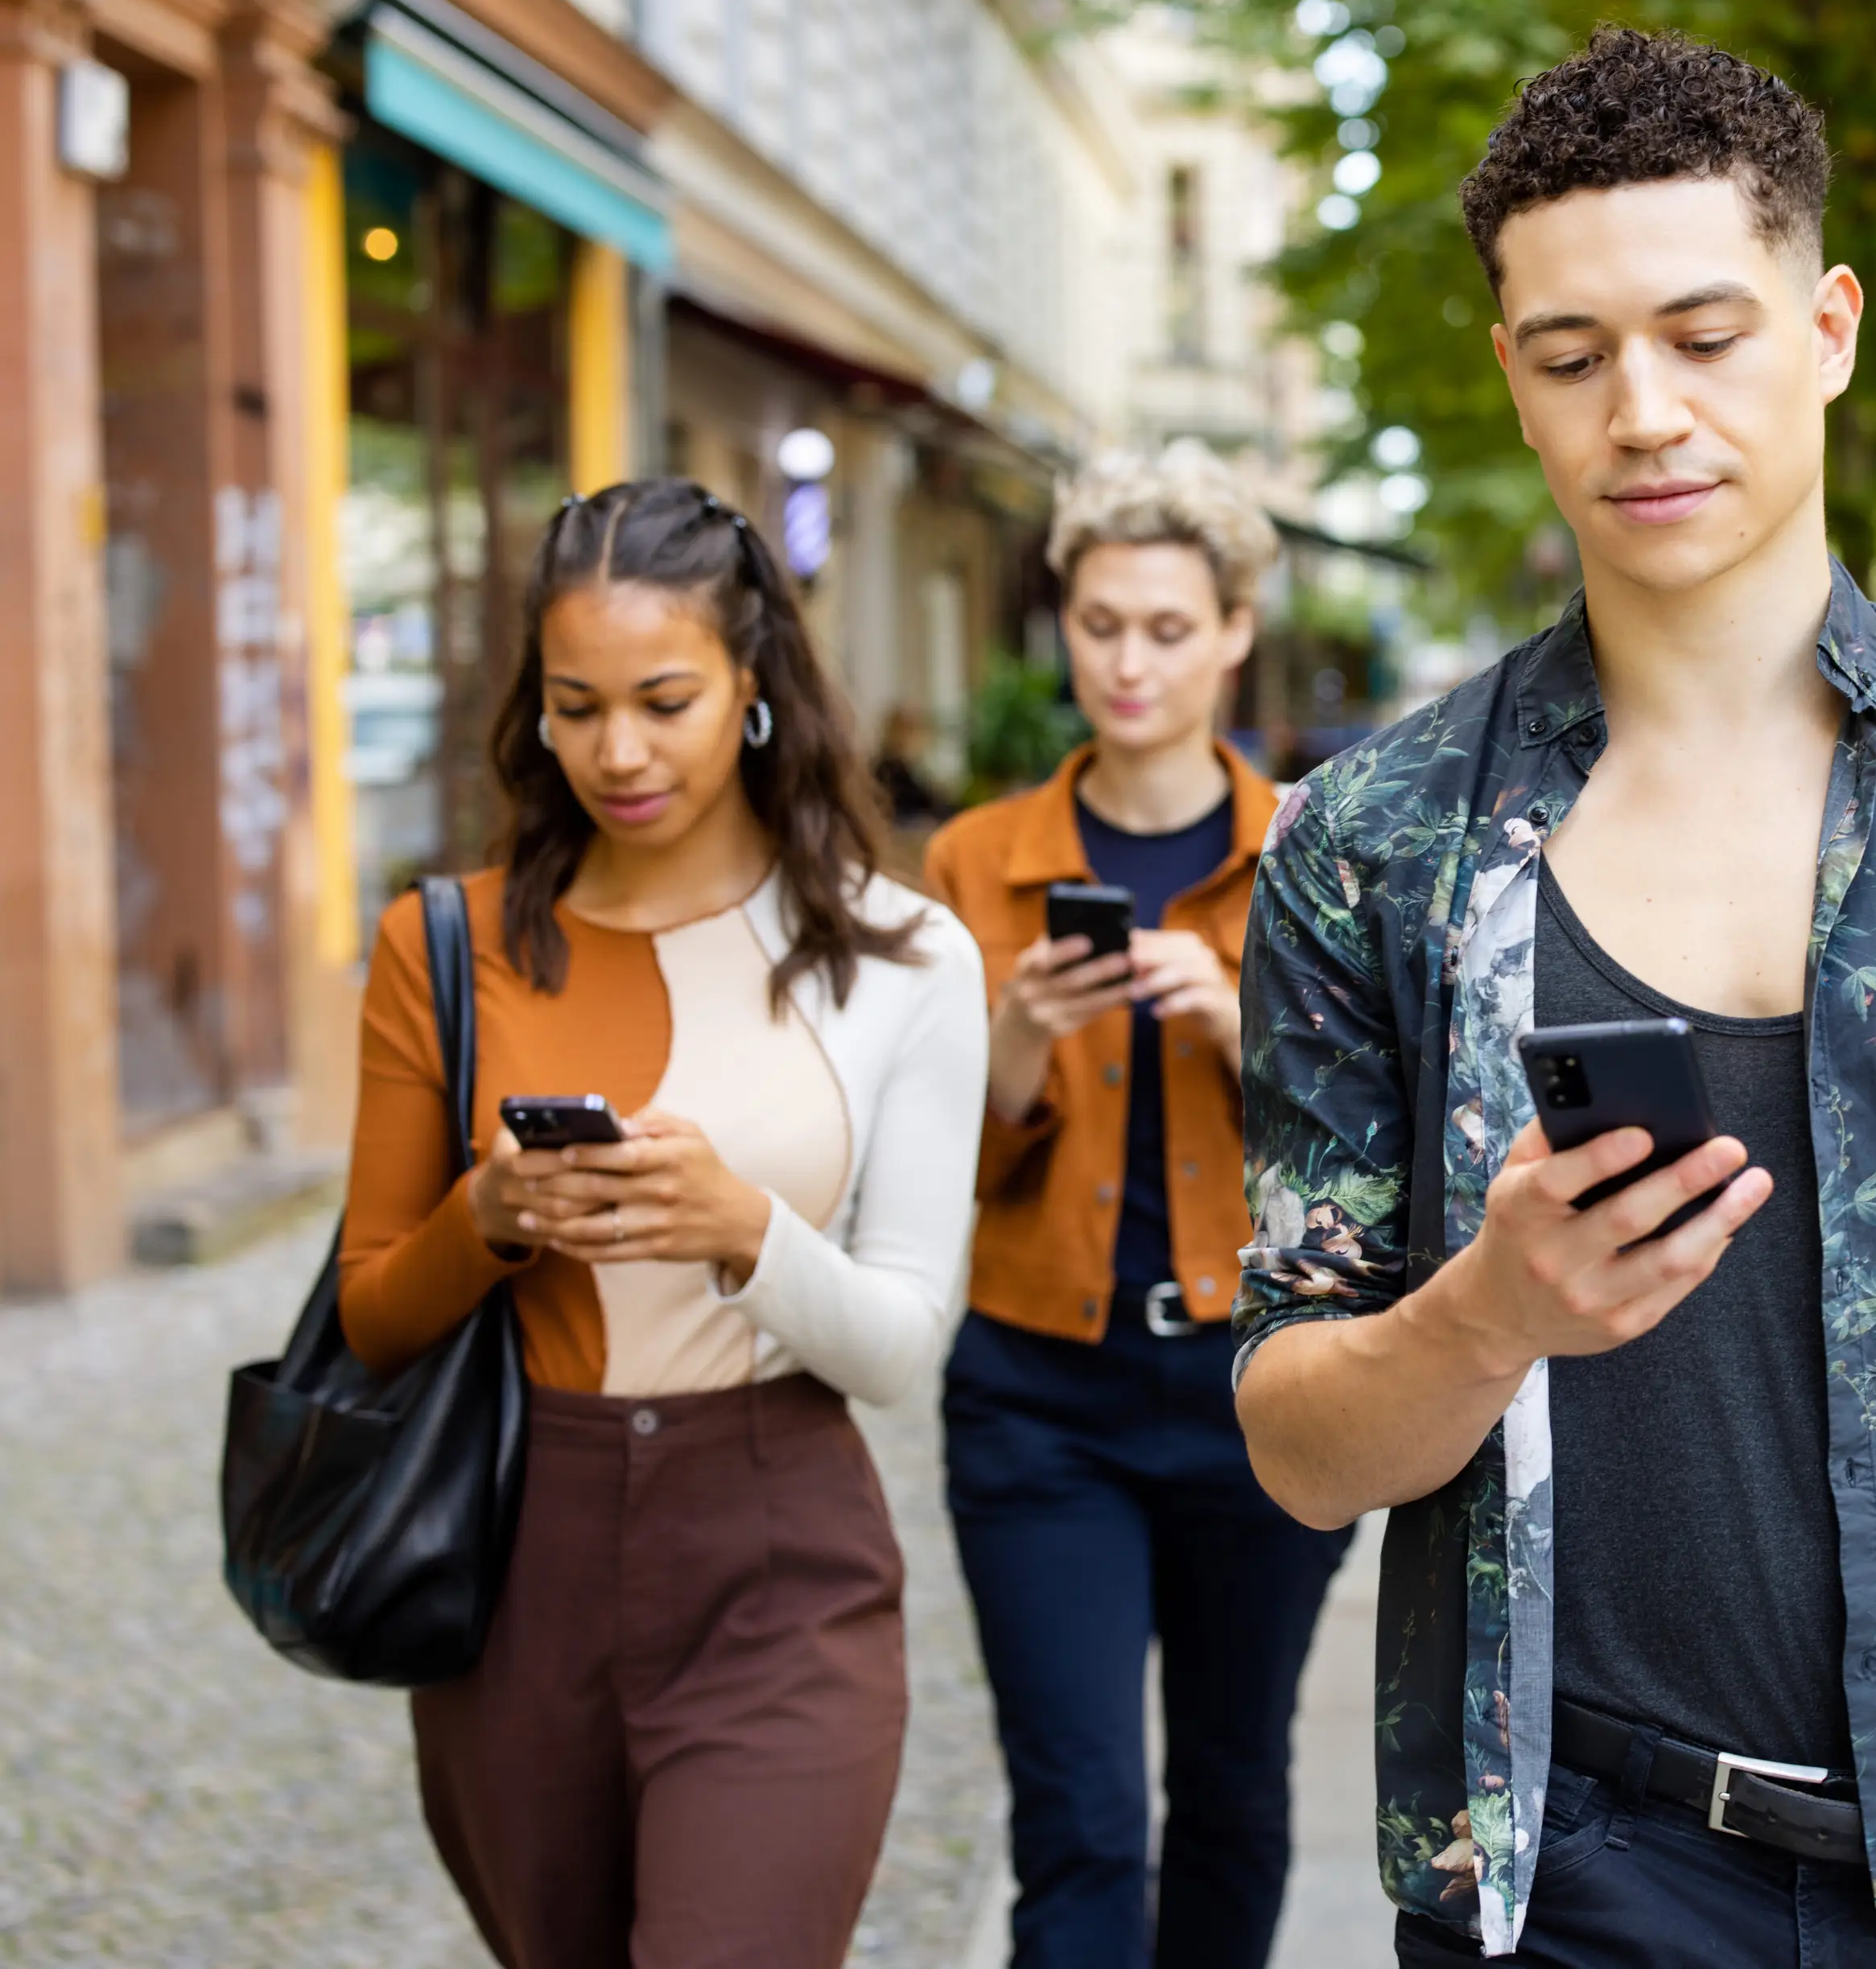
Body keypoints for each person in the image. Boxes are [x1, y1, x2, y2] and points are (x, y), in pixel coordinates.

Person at [1231, 27, 1876, 1969]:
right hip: (1572, 1869)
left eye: (1703, 335)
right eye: (1572, 356)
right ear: (1513, 379)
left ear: (1828, 325)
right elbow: (1299, 1441)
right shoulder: (1367, 844)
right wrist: (1485, 1315)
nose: (1644, 409)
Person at [334, 478, 989, 1967]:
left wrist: (743, 1228)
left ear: (754, 689)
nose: (617, 752)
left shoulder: (905, 957)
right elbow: (372, 1310)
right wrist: (490, 1214)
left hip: (777, 1554)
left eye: (665, 700)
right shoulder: (445, 944)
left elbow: (897, 1346)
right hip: (516, 1567)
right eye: (576, 707)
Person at [922, 441, 1351, 1969]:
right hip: (1041, 1396)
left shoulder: (1316, 851)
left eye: (1168, 629)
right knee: (1084, 1815)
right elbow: (922, 1180)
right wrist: (1019, 1044)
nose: (1128, 661)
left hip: (1263, 1389)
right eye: (1101, 624)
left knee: (1234, 1791)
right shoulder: (977, 862)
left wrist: (1241, 1024)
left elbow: (1384, 1152)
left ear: (1236, 627)